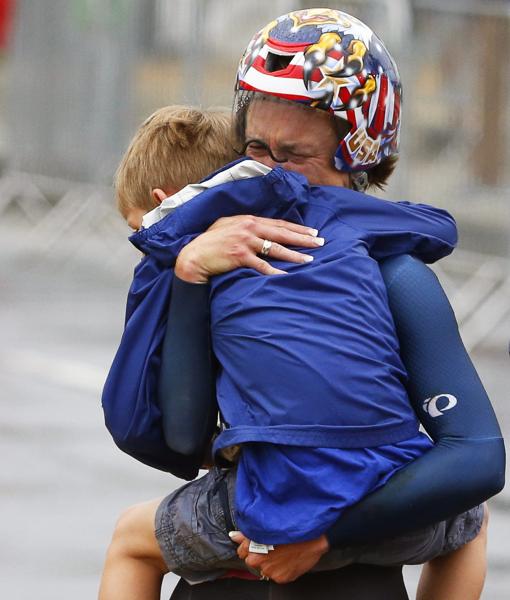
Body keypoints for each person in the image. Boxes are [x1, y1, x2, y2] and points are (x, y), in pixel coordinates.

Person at [99, 9, 505, 600]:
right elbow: (184, 440)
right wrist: (190, 274)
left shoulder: (391, 275)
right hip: (272, 560)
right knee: (469, 528)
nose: (268, 172)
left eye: (293, 156)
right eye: (256, 149)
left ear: (357, 155)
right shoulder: (219, 257)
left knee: (132, 536)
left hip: (273, 541)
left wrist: (327, 537)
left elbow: (477, 459)